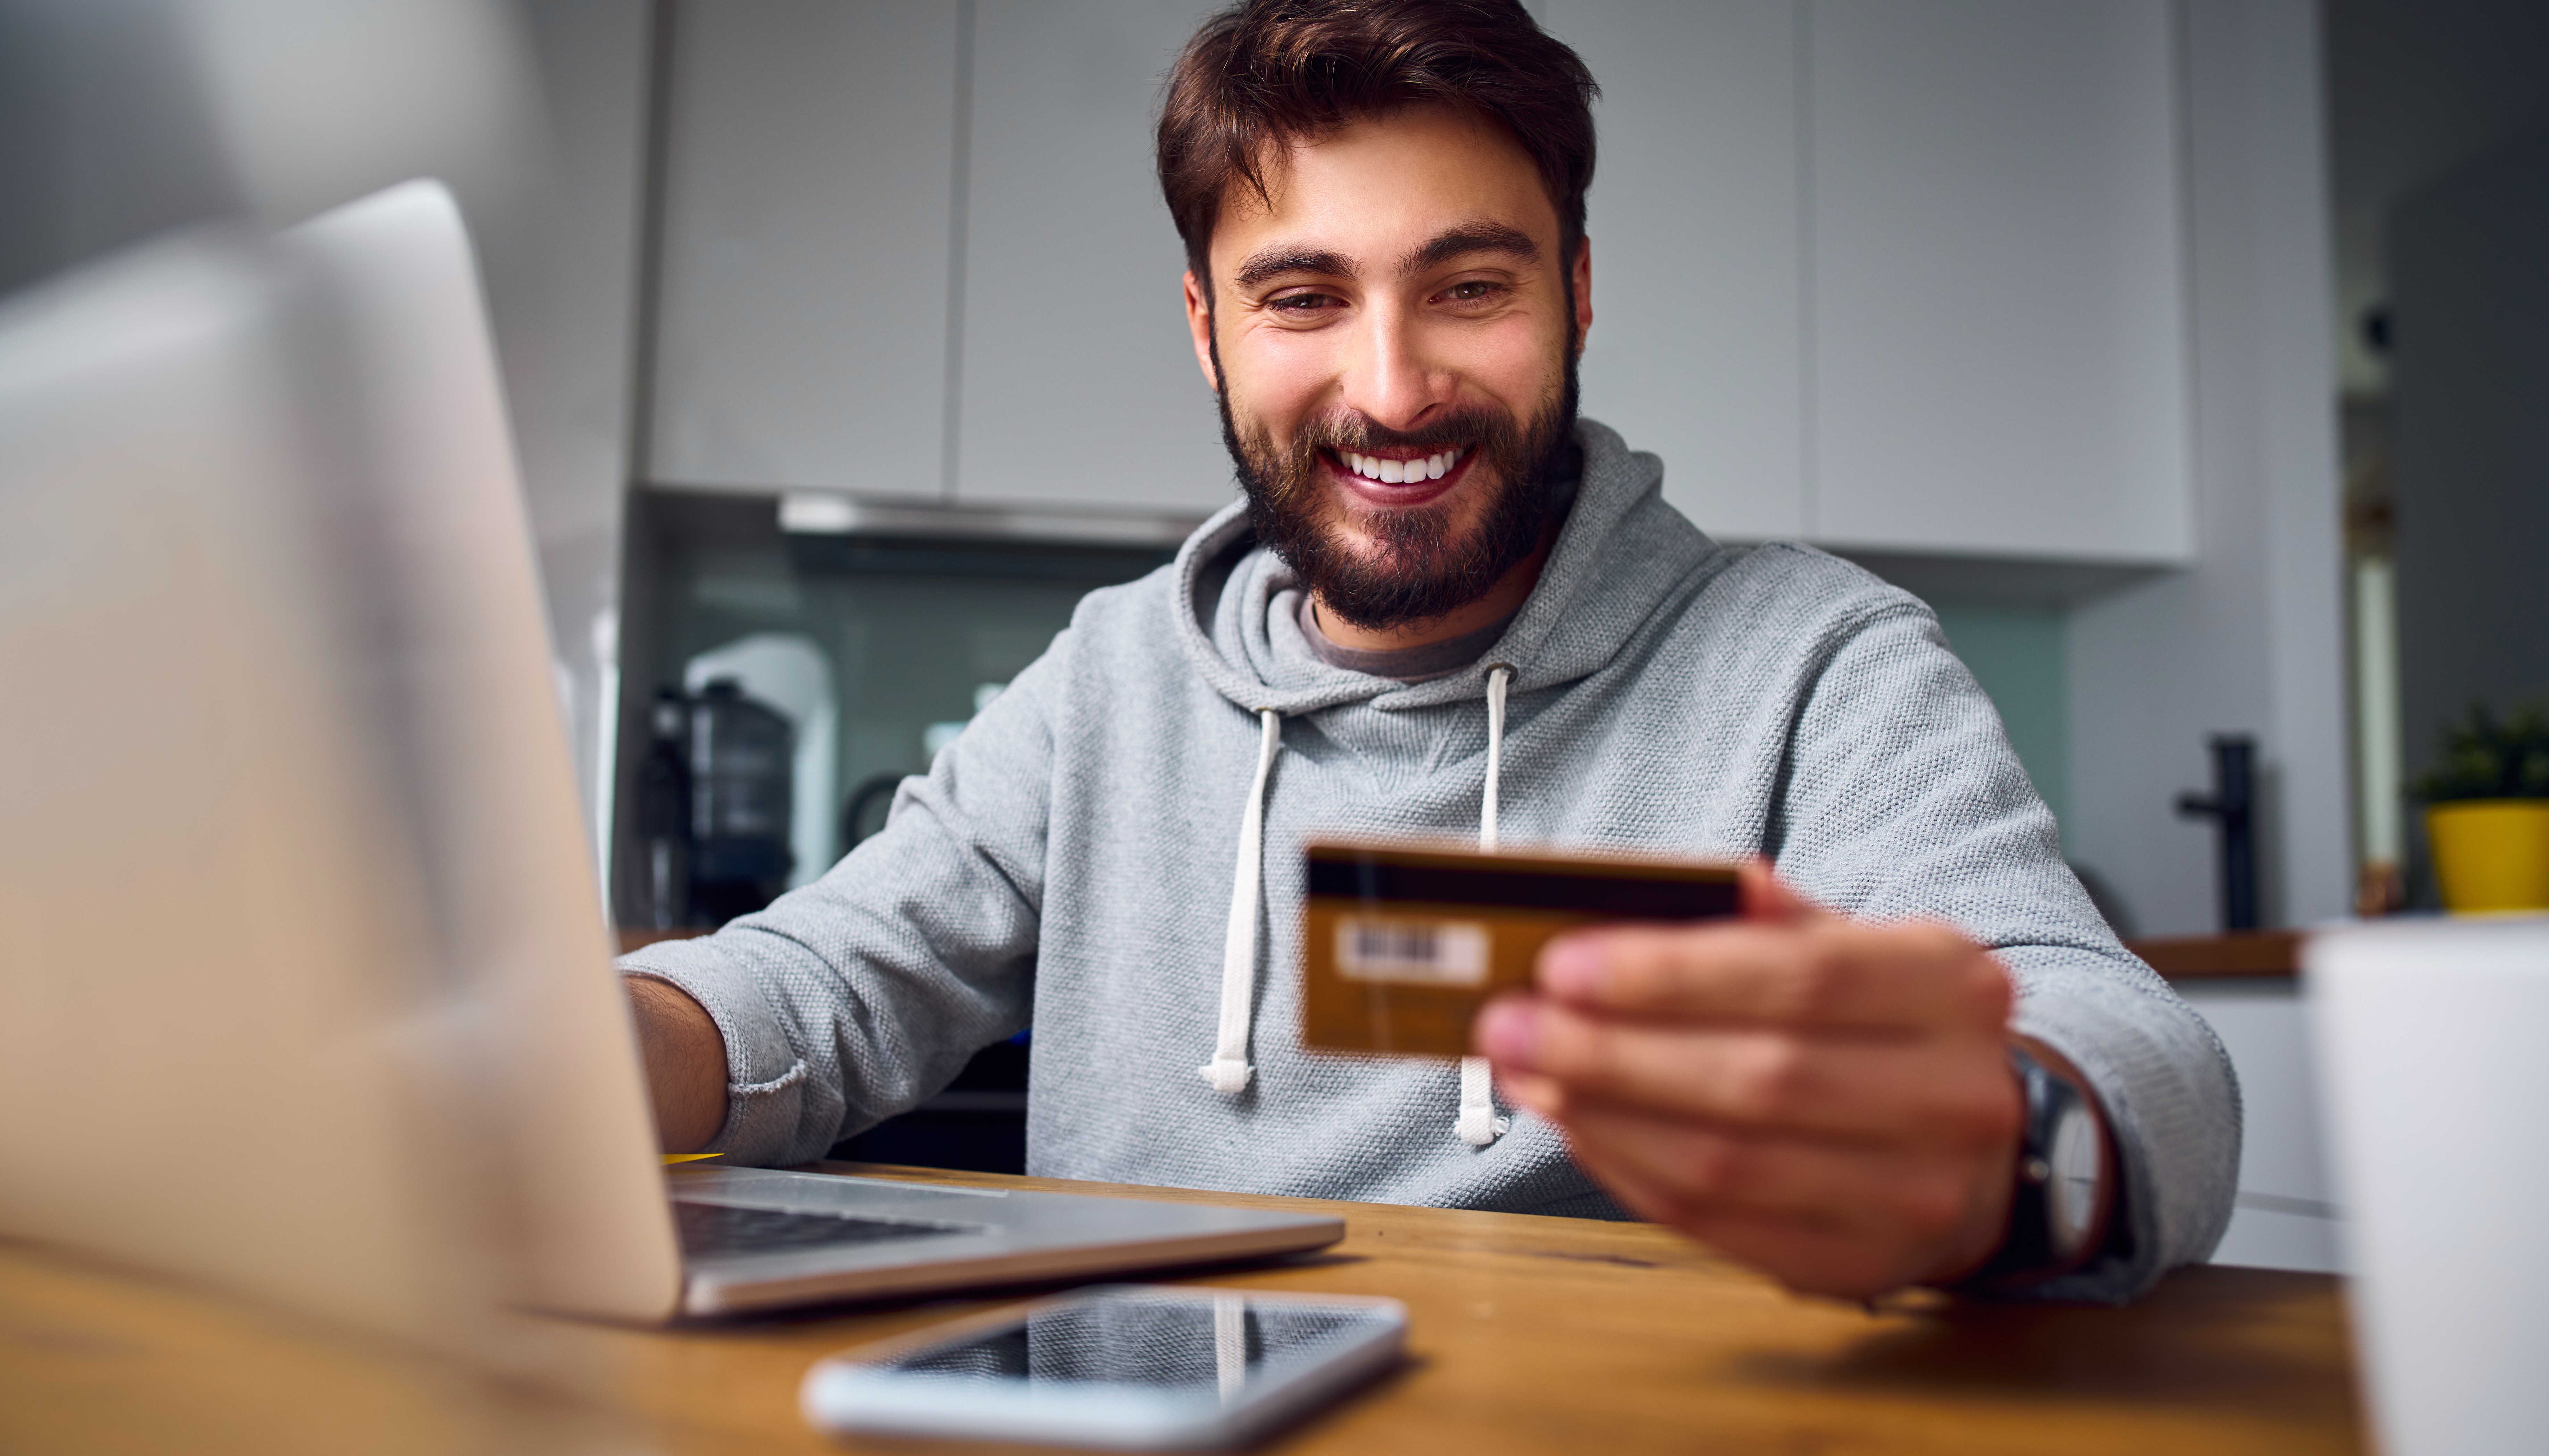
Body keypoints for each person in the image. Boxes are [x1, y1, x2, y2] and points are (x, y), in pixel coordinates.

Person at [621, 0, 2237, 1302]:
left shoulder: (1816, 665)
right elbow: (818, 983)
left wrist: (2007, 1143)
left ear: (1577, 292)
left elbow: (2121, 1036)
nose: (1391, 389)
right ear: (1205, 327)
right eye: (1304, 297)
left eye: (1466, 285)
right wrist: (594, 1054)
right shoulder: (1108, 679)